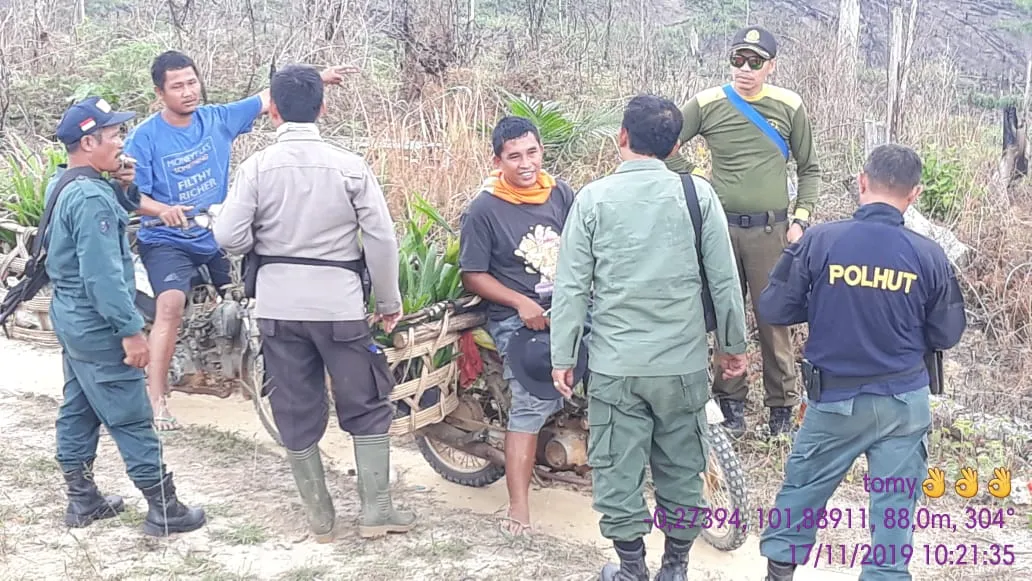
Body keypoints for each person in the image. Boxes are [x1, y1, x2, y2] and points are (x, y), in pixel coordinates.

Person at [549, 94, 750, 581]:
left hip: (616, 365)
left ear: (622, 136)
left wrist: (563, 355)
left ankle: (631, 569)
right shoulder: (697, 195)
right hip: (681, 365)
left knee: (618, 468)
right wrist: (733, 347)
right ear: (675, 146)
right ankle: (675, 567)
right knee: (682, 466)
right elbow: (724, 281)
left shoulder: (593, 198)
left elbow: (571, 286)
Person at [212, 64, 413, 542]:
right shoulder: (350, 166)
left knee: (294, 404)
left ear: (273, 112)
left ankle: (321, 518)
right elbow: (382, 239)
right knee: (365, 400)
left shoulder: (256, 167)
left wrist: (266, 242)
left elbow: (228, 237)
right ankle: (376, 511)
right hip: (339, 305)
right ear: (322, 108)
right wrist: (388, 300)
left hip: (278, 308)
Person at [755, 144, 967, 581]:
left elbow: (775, 307)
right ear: (914, 194)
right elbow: (947, 333)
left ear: (862, 182)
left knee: (801, 494)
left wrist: (825, 301)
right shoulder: (929, 255)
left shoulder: (820, 240)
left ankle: (779, 574)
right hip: (903, 405)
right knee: (893, 516)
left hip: (834, 402)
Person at [123, 50, 356, 431]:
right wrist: (161, 209)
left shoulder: (217, 119)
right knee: (170, 305)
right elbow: (132, 195)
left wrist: (319, 77)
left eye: (192, 82)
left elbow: (269, 98)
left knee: (254, 296)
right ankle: (157, 397)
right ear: (159, 93)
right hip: (166, 238)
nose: (188, 91)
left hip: (215, 232)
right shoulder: (144, 138)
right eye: (177, 86)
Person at [46, 96, 206, 537]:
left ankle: (82, 499)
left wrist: (124, 188)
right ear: (89, 142)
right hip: (97, 324)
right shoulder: (91, 198)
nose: (121, 142)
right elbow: (103, 277)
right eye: (114, 135)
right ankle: (164, 508)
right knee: (131, 414)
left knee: (79, 406)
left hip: (71, 319)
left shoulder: (66, 182)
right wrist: (131, 331)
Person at [665, 25, 822, 438]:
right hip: (719, 228)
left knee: (774, 318)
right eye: (738, 59)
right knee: (725, 315)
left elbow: (809, 168)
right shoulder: (708, 103)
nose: (745, 69)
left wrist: (800, 219)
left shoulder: (789, 105)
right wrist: (697, 179)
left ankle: (781, 409)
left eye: (755, 62)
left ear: (771, 66)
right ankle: (730, 403)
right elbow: (666, 145)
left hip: (771, 231)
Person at [458, 115, 578, 537]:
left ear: (542, 151)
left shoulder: (560, 193)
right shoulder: (484, 209)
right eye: (514, 157)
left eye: (532, 153)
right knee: (530, 399)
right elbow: (473, 274)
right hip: (515, 316)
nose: (526, 164)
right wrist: (521, 302)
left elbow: (582, 247)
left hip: (566, 308)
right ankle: (518, 509)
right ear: (498, 161)